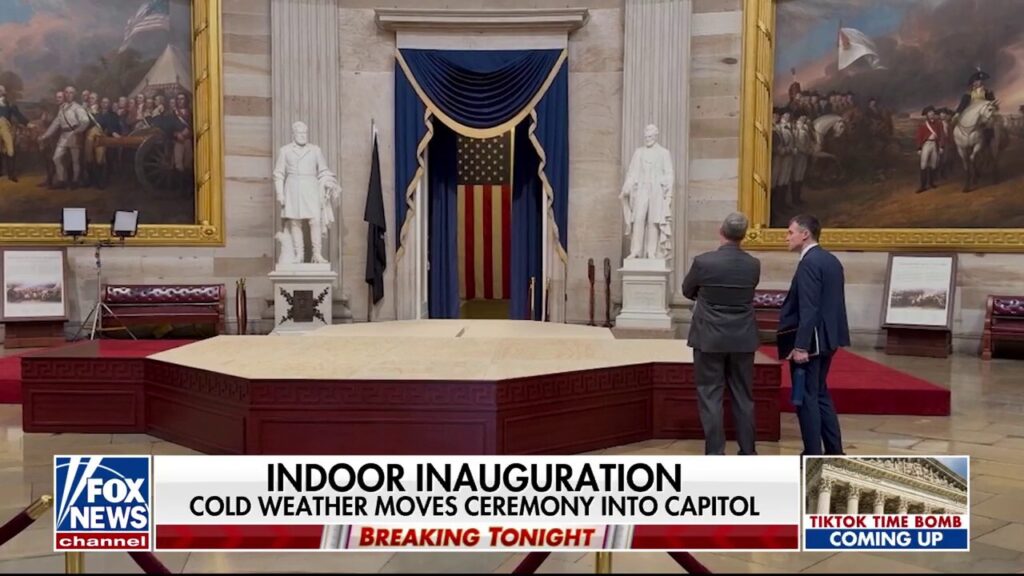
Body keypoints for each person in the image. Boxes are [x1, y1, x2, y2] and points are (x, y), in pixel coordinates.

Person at [682, 212, 761, 456]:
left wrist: (705, 297)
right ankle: (748, 450)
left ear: (721, 231)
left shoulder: (704, 262)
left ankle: (715, 453)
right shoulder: (753, 264)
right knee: (743, 395)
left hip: (710, 336)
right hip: (742, 337)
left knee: (710, 394)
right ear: (743, 236)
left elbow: (687, 291)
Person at [778, 214, 849, 457]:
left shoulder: (809, 263)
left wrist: (800, 346)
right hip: (829, 339)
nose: (786, 237)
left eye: (790, 232)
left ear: (805, 234)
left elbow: (809, 308)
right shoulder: (831, 260)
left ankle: (812, 454)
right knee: (820, 395)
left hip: (812, 343)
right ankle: (834, 452)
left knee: (807, 399)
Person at [273, 121, 340, 265]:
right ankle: (299, 255)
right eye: (300, 133)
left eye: (305, 133)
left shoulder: (315, 150)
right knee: (295, 222)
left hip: (311, 187)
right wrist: (280, 193)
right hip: (292, 188)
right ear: (294, 134)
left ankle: (317, 254)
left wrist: (327, 181)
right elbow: (278, 174)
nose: (303, 136)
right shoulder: (285, 150)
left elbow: (323, 170)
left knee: (315, 220)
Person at [620, 124, 675, 260]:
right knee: (638, 219)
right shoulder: (639, 152)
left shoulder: (663, 153)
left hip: (656, 190)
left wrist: (666, 187)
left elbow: (669, 173)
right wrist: (626, 187)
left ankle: (651, 252)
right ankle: (636, 251)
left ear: (655, 136)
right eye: (646, 137)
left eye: (650, 136)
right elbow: (632, 173)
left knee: (653, 221)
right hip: (641, 190)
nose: (648, 139)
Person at [0, 84, 29, 182]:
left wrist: (27, 123)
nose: (1, 92)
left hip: (5, 128)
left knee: (10, 150)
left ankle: (11, 174)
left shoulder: (10, 105)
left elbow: (18, 115)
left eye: (2, 91)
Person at [915, 106, 945, 193]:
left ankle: (931, 183)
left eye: (932, 113)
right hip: (926, 144)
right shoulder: (923, 124)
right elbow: (919, 137)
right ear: (927, 115)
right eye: (929, 113)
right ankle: (923, 186)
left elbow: (941, 135)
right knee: (923, 164)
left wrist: (941, 146)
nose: (931, 114)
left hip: (934, 144)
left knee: (933, 164)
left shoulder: (938, 124)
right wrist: (919, 147)